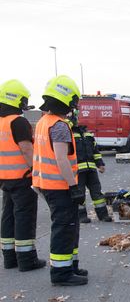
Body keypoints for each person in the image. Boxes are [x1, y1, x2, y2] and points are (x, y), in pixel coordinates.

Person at [32, 75, 87, 286]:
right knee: (64, 227)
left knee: (70, 225)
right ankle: (61, 273)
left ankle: (70, 265)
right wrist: (74, 186)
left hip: (46, 184)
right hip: (60, 185)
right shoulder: (60, 126)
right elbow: (61, 158)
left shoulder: (42, 122)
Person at [0, 79, 45, 272]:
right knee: (24, 217)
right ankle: (27, 260)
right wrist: (37, 173)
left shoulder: (1, 122)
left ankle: (9, 259)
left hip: (5, 178)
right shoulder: (18, 122)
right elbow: (26, 150)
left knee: (7, 216)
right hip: (23, 176)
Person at [69, 112, 111, 223]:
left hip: (91, 169)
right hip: (78, 170)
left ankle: (103, 215)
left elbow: (95, 152)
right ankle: (81, 216)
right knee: (80, 193)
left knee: (97, 193)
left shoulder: (88, 135)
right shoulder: (69, 135)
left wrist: (100, 164)